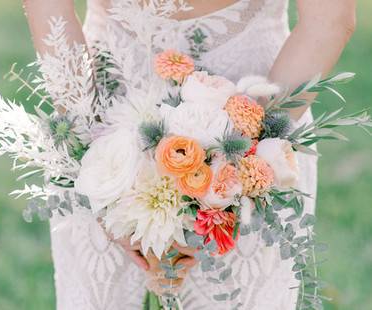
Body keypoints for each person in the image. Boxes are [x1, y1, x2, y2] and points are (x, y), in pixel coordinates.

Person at [23, 0, 355, 309]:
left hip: (104, 112)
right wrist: (246, 163)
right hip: (256, 110)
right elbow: (329, 20)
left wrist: (92, 160)